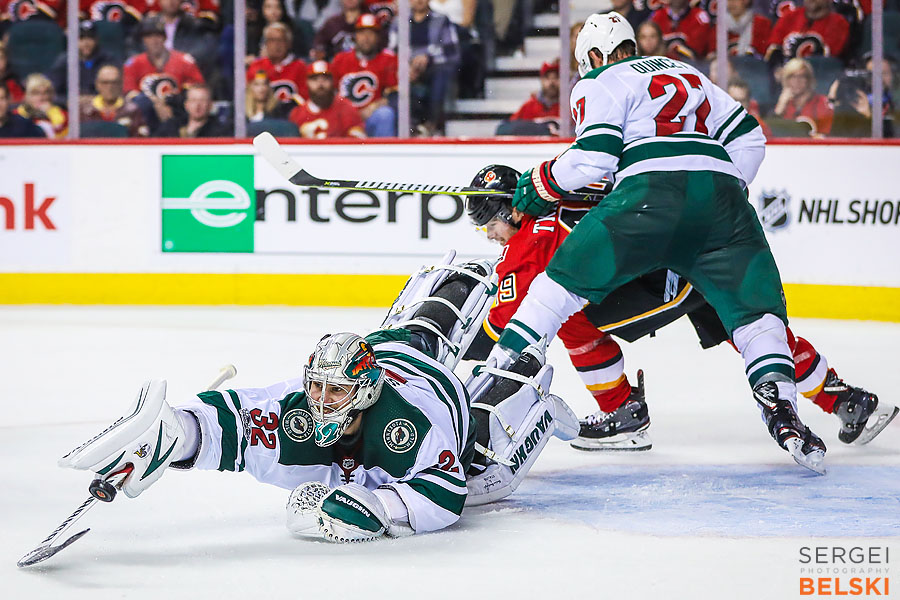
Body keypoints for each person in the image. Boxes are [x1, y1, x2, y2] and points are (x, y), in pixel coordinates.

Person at [494, 12, 829, 474]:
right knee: (756, 318)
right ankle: (783, 410)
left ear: (592, 56)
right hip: (722, 197)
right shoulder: (686, 71)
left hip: (650, 196)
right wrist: (718, 191)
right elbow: (750, 138)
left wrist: (538, 182)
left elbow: (593, 159)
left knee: (558, 287)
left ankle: (497, 378)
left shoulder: (598, 81)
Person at [57, 257, 578, 542]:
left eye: (337, 389)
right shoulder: (298, 408)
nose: (323, 400)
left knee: (489, 428)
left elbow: (446, 494)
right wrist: (179, 432)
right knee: (407, 325)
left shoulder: (406, 425)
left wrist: (379, 507)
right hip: (380, 350)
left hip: (433, 388)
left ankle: (538, 399)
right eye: (318, 387)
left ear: (366, 390)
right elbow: (235, 424)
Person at [464, 164, 897, 450]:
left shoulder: (529, 242)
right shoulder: (570, 191)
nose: (489, 234)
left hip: (658, 283)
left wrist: (460, 362)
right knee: (753, 330)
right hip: (693, 248)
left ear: (512, 211)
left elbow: (508, 321)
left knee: (562, 313)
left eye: (490, 222)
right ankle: (845, 399)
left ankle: (622, 412)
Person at [389, 0, 460, 135]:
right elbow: (391, 52)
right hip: (406, 71)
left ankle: (432, 125)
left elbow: (452, 51)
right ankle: (409, 129)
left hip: (434, 69)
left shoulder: (441, 19)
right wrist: (406, 66)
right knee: (395, 79)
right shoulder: (399, 22)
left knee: (442, 73)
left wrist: (429, 57)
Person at [123, 17, 205, 131]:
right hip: (146, 118)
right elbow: (129, 93)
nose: (154, 40)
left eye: (158, 35)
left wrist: (168, 103)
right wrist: (156, 104)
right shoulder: (133, 63)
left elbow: (197, 89)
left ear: (165, 38)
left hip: (178, 115)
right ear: (143, 40)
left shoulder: (184, 61)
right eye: (149, 36)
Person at [330, 13, 398, 137]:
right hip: (343, 118)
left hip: (370, 117)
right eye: (362, 33)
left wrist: (372, 108)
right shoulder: (340, 59)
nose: (366, 37)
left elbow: (392, 96)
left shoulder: (388, 59)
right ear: (355, 36)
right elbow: (331, 93)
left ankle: (384, 155)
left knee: (385, 114)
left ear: (378, 37)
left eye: (371, 33)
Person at [287, 60, 365, 138]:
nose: (320, 84)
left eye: (325, 79)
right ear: (307, 83)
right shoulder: (297, 113)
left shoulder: (346, 108)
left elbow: (358, 141)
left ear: (333, 81)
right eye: (314, 79)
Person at [765, 0, 849, 64]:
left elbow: (828, 58)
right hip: (786, 74)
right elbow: (773, 50)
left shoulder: (839, 23)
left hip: (818, 76)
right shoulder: (788, 17)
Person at [50, 20, 115, 101]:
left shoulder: (107, 60)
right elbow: (54, 93)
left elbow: (115, 90)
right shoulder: (65, 61)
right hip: (70, 108)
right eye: (82, 38)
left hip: (102, 107)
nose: (86, 43)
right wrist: (71, 101)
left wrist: (95, 99)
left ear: (97, 40)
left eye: (90, 38)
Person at [246, 22, 308, 102]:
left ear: (289, 43)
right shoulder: (256, 66)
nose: (276, 44)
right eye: (272, 40)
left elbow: (304, 100)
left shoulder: (300, 67)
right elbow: (249, 99)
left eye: (281, 40)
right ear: (266, 43)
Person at [80, 64, 149, 136]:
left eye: (114, 83)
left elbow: (140, 139)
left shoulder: (132, 111)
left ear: (121, 84)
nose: (110, 87)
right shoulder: (84, 111)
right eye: (105, 83)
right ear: (97, 84)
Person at [772, 57, 832, 136]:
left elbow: (827, 136)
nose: (797, 81)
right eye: (792, 77)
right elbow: (772, 132)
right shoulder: (783, 103)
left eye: (802, 76)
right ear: (786, 80)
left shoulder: (822, 102)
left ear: (808, 80)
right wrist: (780, 107)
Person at [154, 82, 229, 136]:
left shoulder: (219, 132)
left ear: (210, 105)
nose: (197, 105)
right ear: (186, 105)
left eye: (202, 100)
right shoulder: (171, 126)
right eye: (193, 100)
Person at [16, 73, 67, 138]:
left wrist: (51, 113)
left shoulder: (63, 115)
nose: (41, 97)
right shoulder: (16, 114)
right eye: (36, 93)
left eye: (46, 92)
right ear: (26, 96)